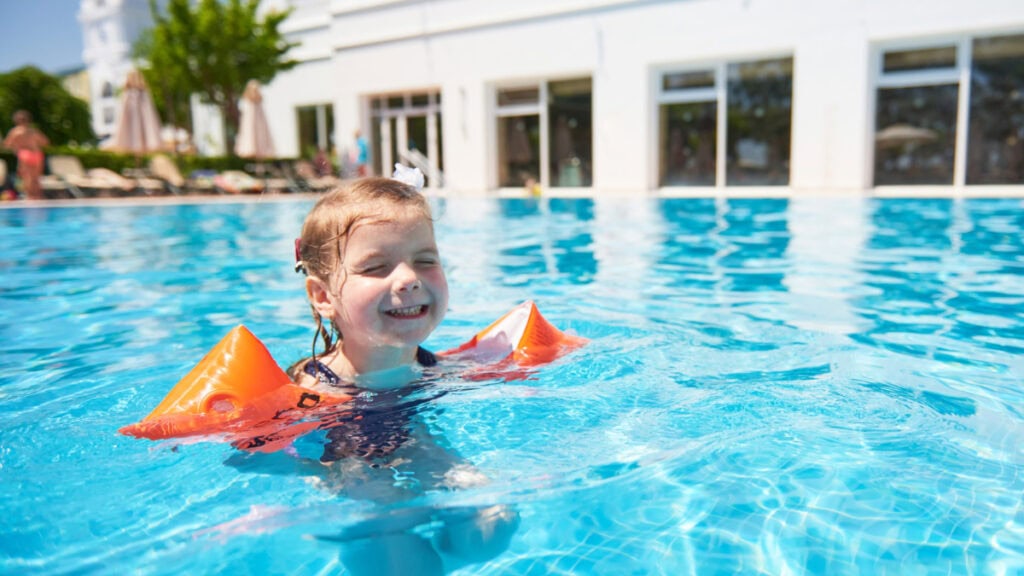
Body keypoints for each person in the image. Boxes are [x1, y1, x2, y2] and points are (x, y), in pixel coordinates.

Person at [290, 173, 518, 576]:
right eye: (376, 267)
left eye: (425, 261)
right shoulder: (316, 386)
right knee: (390, 524)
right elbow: (265, 442)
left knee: (495, 517)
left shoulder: (432, 366)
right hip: (353, 465)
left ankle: (444, 560)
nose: (409, 279)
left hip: (419, 447)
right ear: (323, 296)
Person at [3, 110, 50, 200]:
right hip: (37, 154)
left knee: (27, 177)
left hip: (25, 154)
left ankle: (30, 197)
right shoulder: (34, 131)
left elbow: (7, 145)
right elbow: (45, 142)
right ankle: (38, 197)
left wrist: (16, 147)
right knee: (36, 178)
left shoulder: (15, 131)